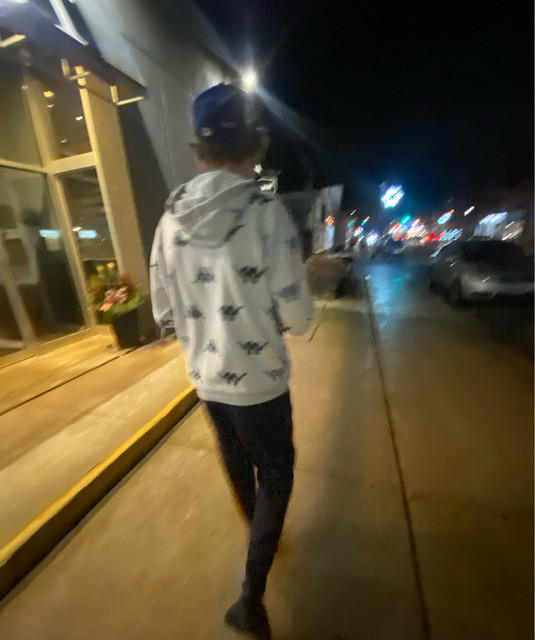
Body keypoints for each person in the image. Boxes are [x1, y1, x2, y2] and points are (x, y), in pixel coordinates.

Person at [150, 83, 314, 639]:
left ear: (200, 150)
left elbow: (163, 310)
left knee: (236, 463)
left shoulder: (169, 219)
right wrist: (309, 281)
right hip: (262, 384)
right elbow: (298, 317)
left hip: (206, 381)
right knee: (277, 473)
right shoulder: (267, 214)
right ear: (254, 145)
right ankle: (251, 597)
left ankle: (258, 536)